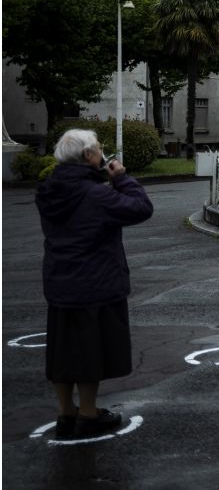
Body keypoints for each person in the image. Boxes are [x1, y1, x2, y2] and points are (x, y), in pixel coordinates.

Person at [35, 129, 153, 439]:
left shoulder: (49, 189)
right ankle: (88, 413)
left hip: (60, 281)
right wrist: (121, 178)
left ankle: (65, 412)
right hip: (95, 283)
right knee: (90, 351)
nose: (102, 154)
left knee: (62, 350)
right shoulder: (96, 194)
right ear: (89, 156)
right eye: (98, 149)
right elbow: (141, 208)